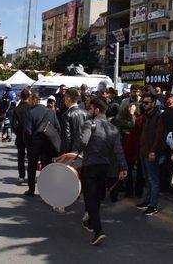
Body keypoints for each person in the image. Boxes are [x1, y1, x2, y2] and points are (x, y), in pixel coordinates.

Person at [76, 97, 128, 246]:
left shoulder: (89, 124)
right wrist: (123, 167)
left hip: (90, 166)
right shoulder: (113, 128)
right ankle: (92, 223)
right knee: (97, 197)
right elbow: (118, 151)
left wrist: (79, 146)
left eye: (91, 108)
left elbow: (83, 143)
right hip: (104, 166)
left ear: (97, 110)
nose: (89, 111)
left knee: (91, 199)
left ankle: (98, 231)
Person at [24, 93, 61, 197]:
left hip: (34, 144)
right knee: (46, 168)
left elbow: (27, 131)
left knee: (32, 167)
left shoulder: (31, 113)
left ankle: (31, 190)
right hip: (47, 144)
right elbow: (58, 128)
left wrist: (28, 144)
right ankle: (46, 191)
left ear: (33, 100)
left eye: (30, 100)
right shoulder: (51, 112)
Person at [137, 93, 164, 216]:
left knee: (153, 179)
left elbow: (159, 136)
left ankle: (153, 205)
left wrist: (153, 151)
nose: (144, 104)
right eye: (143, 102)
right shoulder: (146, 115)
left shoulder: (158, 116)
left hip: (151, 153)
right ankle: (147, 201)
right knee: (147, 178)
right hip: (144, 151)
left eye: (147, 102)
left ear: (153, 103)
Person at [11, 89, 32, 183]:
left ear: (21, 97)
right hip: (31, 135)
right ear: (29, 97)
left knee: (21, 157)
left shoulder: (17, 109)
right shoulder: (32, 107)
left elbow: (14, 125)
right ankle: (31, 176)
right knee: (31, 157)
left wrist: (18, 132)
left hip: (20, 136)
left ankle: (21, 175)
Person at [61, 88, 89, 154]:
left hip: (72, 152)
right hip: (84, 150)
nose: (64, 100)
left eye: (65, 98)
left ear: (68, 99)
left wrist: (66, 153)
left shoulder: (66, 115)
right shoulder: (86, 113)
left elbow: (67, 137)